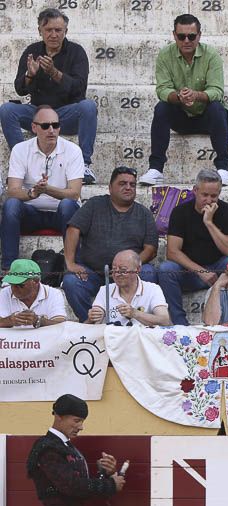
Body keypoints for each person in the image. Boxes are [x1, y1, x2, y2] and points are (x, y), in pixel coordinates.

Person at [1, 9, 98, 185]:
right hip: (38, 113)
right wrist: (29, 76)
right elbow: (19, 89)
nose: (53, 35)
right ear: (40, 31)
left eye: (58, 30)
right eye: (48, 30)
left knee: (88, 106)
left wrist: (54, 73)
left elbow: (79, 89)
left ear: (65, 31)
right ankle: (21, 163)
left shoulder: (76, 52)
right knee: (7, 110)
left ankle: (84, 164)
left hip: (66, 114)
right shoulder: (32, 51)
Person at [142, 167, 228, 325]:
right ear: (195, 191)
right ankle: (179, 324)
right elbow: (172, 252)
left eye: (214, 196)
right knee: (166, 269)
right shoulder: (180, 212)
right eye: (205, 195)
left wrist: (209, 223)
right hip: (190, 272)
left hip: (219, 270)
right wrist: (201, 271)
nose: (209, 200)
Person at [140, 14, 228, 187]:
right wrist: (179, 97)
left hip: (208, 116)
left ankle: (223, 168)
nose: (186, 40)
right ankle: (156, 169)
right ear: (174, 35)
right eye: (181, 36)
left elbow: (216, 91)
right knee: (162, 107)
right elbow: (163, 89)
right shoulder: (166, 55)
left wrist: (196, 95)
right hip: (181, 116)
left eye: (191, 36)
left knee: (217, 107)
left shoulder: (211, 55)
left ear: (199, 36)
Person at [60, 167, 158, 321]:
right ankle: (92, 322)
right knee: (71, 282)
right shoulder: (94, 205)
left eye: (132, 185)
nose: (128, 187)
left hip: (129, 274)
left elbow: (151, 249)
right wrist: (70, 263)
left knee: (148, 272)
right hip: (94, 273)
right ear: (110, 187)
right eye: (123, 183)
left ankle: (135, 320)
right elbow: (73, 229)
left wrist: (129, 268)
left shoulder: (144, 213)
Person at [2, 106, 81, 270]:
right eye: (45, 126)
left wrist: (47, 189)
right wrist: (33, 193)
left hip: (62, 214)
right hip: (31, 212)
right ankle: (8, 268)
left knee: (68, 205)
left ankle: (71, 266)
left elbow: (74, 194)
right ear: (34, 127)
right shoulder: (20, 149)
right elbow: (13, 190)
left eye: (56, 125)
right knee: (11, 205)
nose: (51, 130)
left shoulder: (73, 150)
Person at [86, 250, 170, 327]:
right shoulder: (105, 290)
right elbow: (89, 327)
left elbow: (164, 321)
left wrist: (135, 313)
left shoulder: (153, 289)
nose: (117, 274)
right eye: (114, 269)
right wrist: (92, 319)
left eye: (123, 270)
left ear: (137, 269)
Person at [0, 259, 67, 328]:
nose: (14, 289)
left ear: (36, 281)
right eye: (12, 284)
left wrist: (39, 321)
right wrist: (9, 321)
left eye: (20, 285)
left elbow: (61, 325)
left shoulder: (54, 294)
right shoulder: (5, 293)